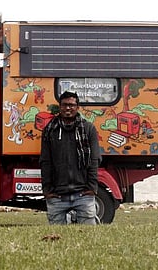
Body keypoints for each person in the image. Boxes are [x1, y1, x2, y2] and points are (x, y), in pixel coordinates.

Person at [39, 91, 101, 225]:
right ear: (59, 107)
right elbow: (45, 162)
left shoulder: (88, 128)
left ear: (77, 107)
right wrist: (47, 190)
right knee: (56, 238)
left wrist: (91, 188)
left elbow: (94, 160)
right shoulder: (50, 130)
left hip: (83, 195)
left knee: (89, 237)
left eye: (72, 105)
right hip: (57, 196)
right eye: (65, 105)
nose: (68, 108)